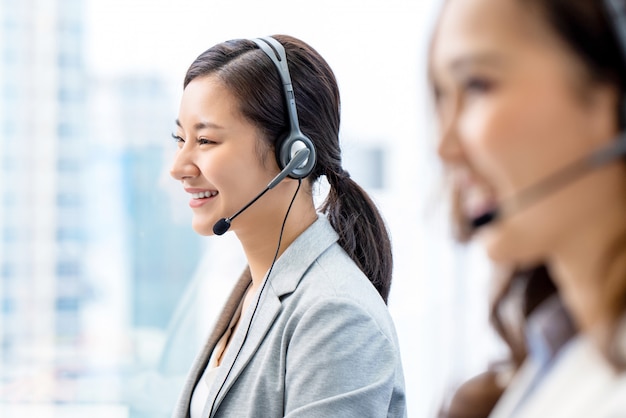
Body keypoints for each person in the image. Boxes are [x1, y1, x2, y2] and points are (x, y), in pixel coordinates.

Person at [168, 34, 406, 418]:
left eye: (206, 140)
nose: (178, 167)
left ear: (293, 154)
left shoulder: (335, 315)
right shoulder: (254, 289)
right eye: (180, 139)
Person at [429, 0, 626, 416]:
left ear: (615, 102)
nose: (444, 148)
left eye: (477, 86)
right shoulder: (559, 350)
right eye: (442, 97)